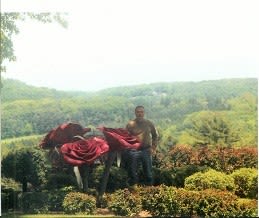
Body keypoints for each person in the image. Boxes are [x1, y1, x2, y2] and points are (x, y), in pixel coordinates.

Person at [126, 105, 158, 186]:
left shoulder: (149, 123)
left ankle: (149, 191)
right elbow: (126, 137)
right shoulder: (130, 124)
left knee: (148, 173)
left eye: (141, 112)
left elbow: (155, 136)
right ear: (135, 113)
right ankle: (134, 191)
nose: (140, 114)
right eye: (138, 112)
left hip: (146, 150)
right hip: (134, 151)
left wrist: (153, 148)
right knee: (132, 173)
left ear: (144, 113)